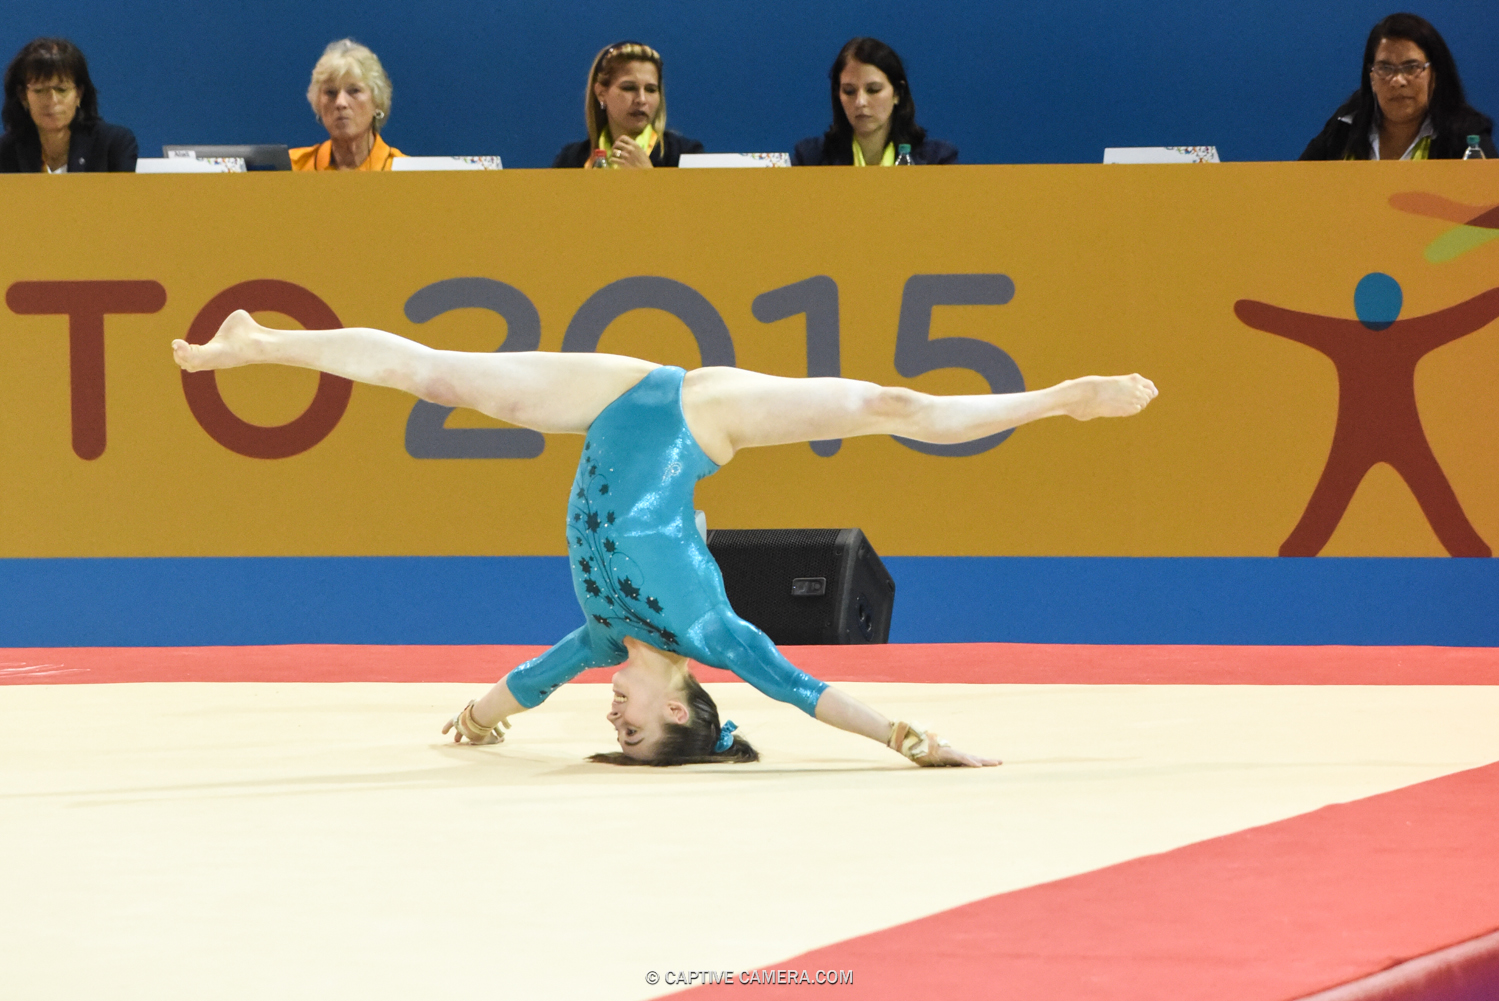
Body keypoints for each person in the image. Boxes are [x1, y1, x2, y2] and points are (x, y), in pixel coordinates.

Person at [172, 315, 1157, 767]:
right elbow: (809, 694)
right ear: (684, 698)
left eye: (615, 735)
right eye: (636, 725)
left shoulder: (602, 635)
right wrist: (915, 740)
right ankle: (1066, 400)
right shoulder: (714, 632)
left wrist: (475, 721)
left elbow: (523, 682)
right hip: (702, 416)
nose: (613, 715)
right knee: (894, 405)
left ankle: (262, 346)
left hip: (611, 407)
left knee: (440, 377)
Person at [1300, 13, 1496, 161]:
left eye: (1411, 68)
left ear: (1434, 75)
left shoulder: (1465, 135)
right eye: (1385, 68)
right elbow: (1297, 183)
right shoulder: (1346, 125)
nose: (1398, 81)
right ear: (1372, 79)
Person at [793, 38, 956, 167]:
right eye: (849, 91)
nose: (860, 102)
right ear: (838, 95)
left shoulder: (937, 161)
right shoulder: (809, 160)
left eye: (873, 90)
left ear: (897, 93)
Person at [552, 41, 703, 169]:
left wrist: (650, 179)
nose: (641, 99)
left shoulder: (685, 155)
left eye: (651, 90)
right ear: (601, 93)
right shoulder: (571, 160)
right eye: (629, 88)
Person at [0, 38, 136, 173]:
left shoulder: (113, 145)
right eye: (40, 90)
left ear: (79, 94)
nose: (52, 100)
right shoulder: (5, 151)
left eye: (61, 90)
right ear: (23, 96)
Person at [290, 39, 404, 171]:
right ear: (318, 103)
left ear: (377, 101)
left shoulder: (406, 173)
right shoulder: (293, 168)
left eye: (354, 91)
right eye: (331, 92)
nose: (340, 103)